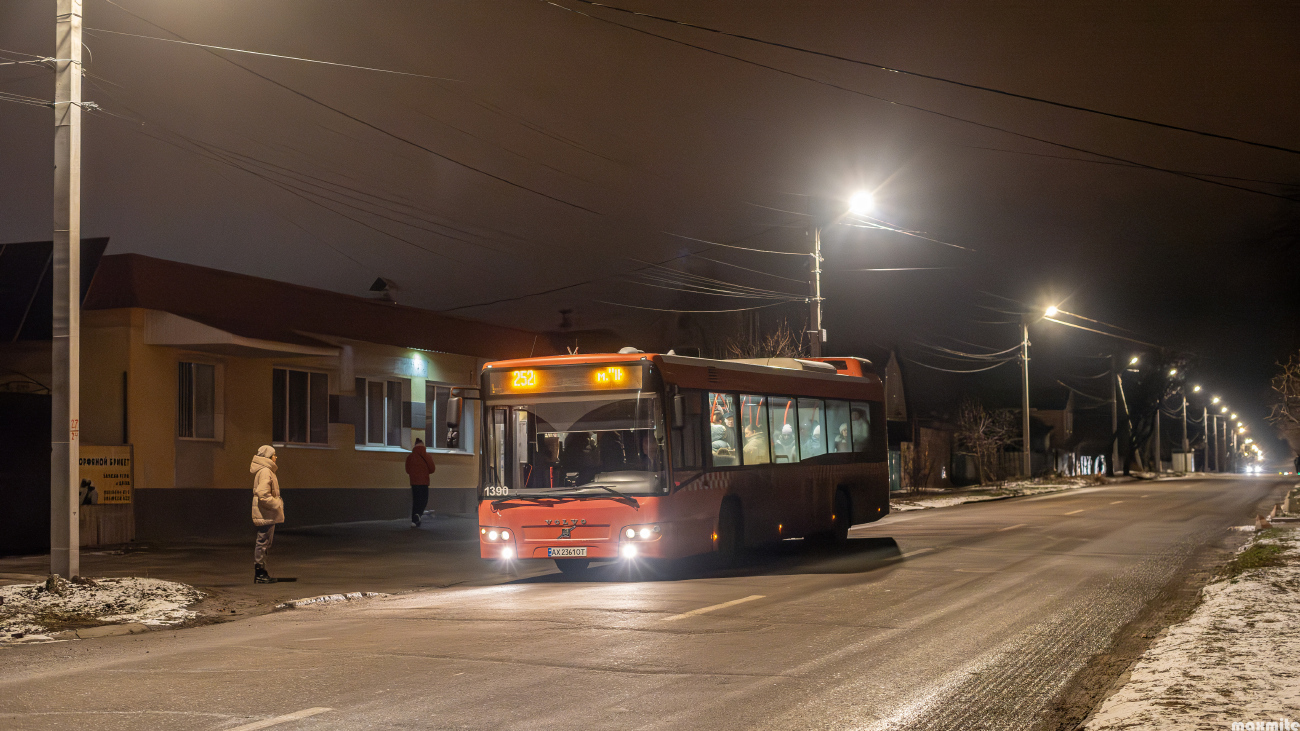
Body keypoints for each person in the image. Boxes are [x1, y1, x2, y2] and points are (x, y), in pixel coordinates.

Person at [250, 445, 284, 584]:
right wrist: (276, 503)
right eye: (274, 455)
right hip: (266, 513)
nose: (276, 457)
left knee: (264, 543)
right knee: (263, 542)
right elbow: (263, 495)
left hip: (266, 513)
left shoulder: (266, 471)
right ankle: (260, 574)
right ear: (268, 457)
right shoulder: (265, 471)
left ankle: (262, 572)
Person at [405, 438, 437, 527]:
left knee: (416, 500)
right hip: (424, 482)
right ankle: (418, 515)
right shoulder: (427, 456)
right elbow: (432, 469)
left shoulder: (410, 457)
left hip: (414, 482)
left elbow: (407, 470)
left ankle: (414, 521)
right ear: (423, 445)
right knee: (423, 500)